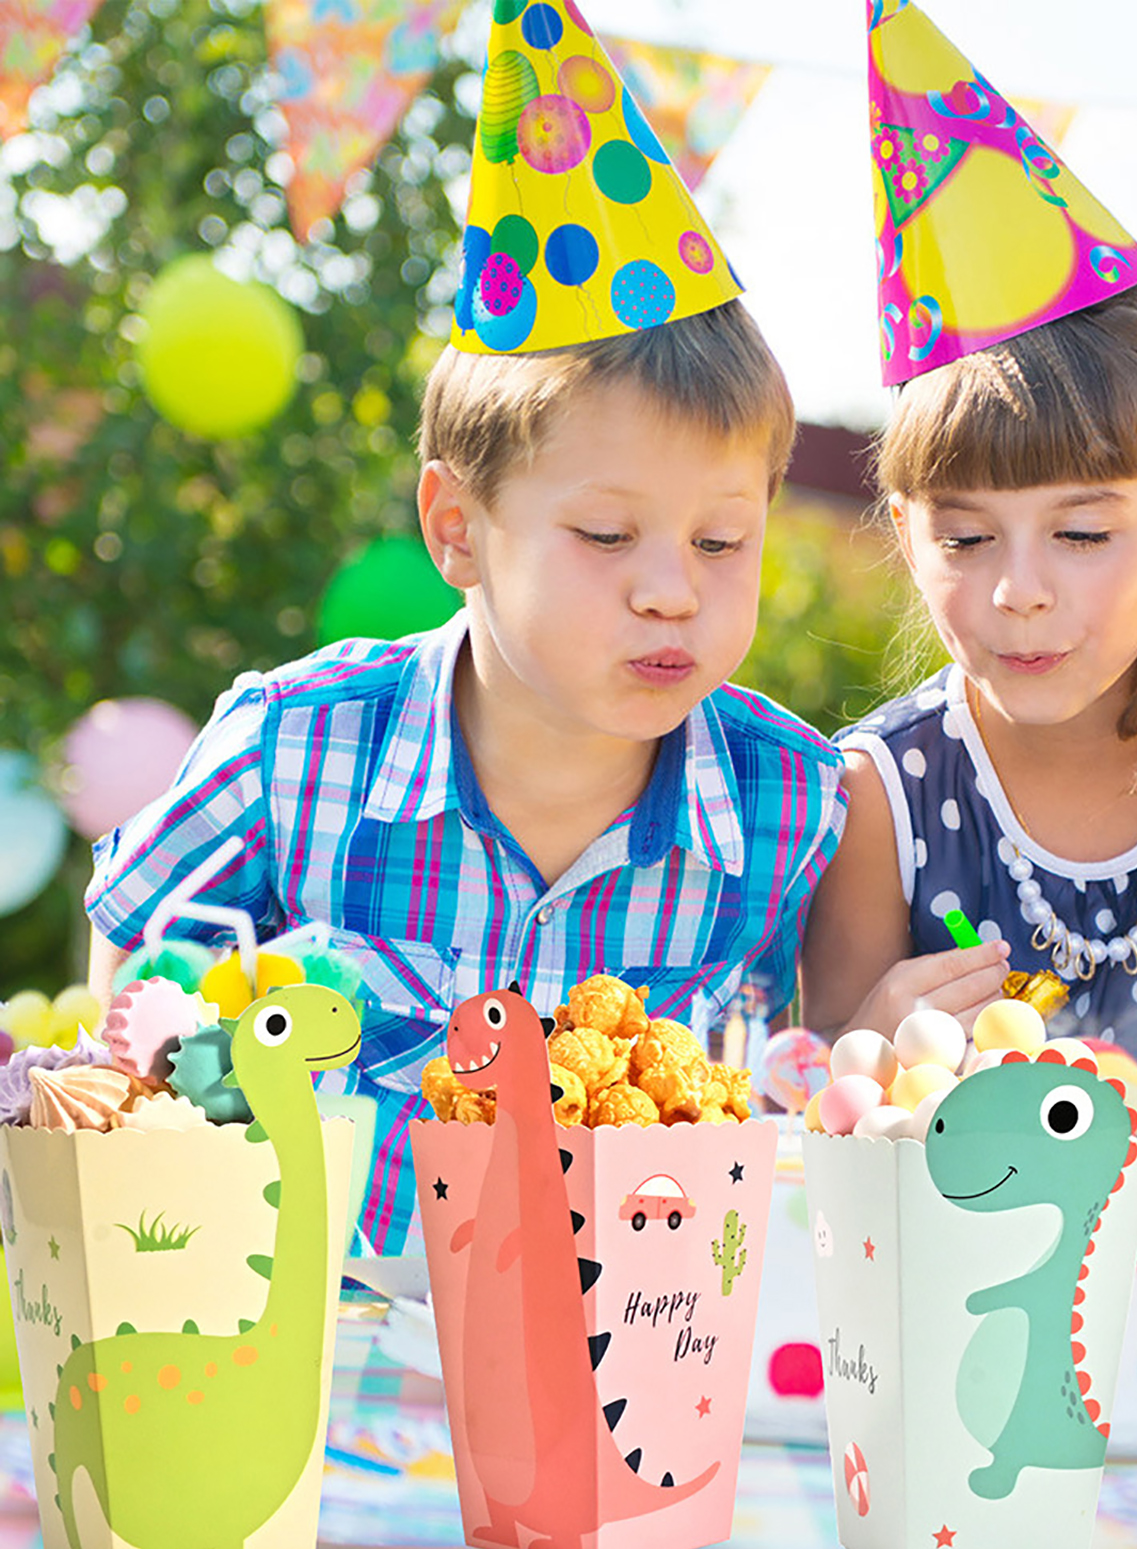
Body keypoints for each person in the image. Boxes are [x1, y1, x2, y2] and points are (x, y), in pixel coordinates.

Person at [83, 21, 844, 1255]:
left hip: (634, 1353)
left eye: (721, 540)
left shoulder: (797, 804)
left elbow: (824, 1097)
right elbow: (130, 989)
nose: (672, 592)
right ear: (458, 529)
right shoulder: (290, 749)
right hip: (322, 1340)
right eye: (606, 535)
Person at [801, 0, 1137, 1150]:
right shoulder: (880, 796)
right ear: (904, 532)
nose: (1020, 590)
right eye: (966, 539)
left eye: (1084, 534)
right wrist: (869, 1035)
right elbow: (831, 1083)